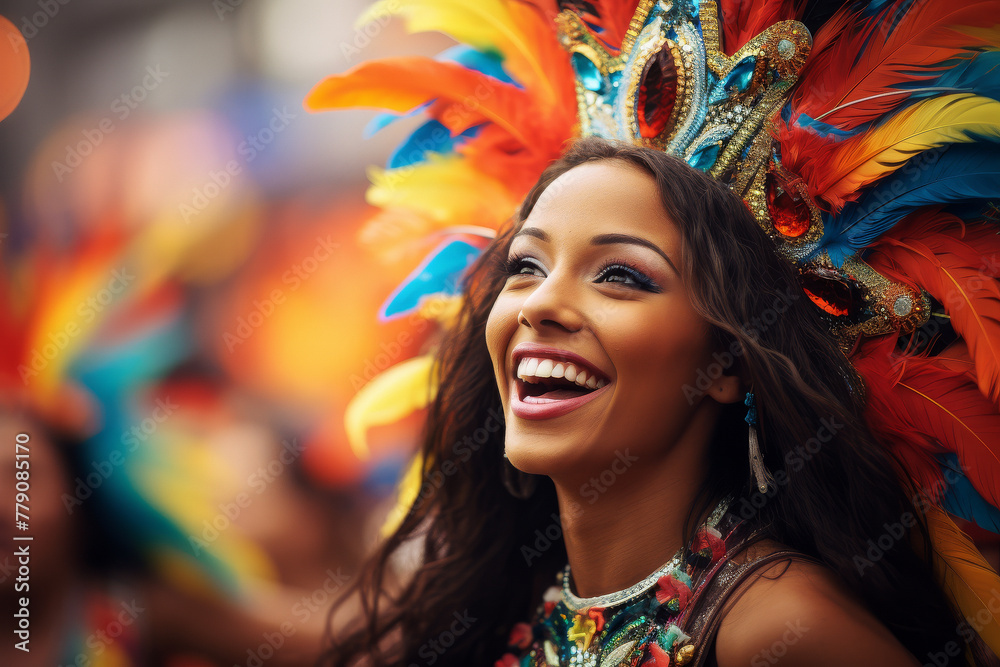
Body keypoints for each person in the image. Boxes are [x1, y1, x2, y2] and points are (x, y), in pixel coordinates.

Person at [319, 136, 995, 667]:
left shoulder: (776, 626)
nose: (542, 304)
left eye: (620, 276)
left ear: (725, 363)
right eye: (527, 265)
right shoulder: (526, 590)